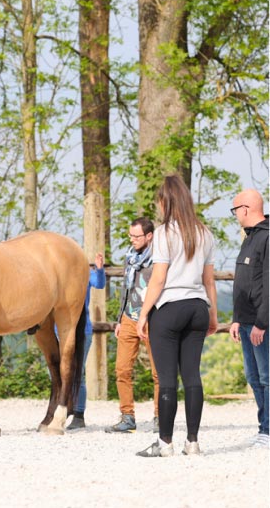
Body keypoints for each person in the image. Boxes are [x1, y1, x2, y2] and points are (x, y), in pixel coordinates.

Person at [135, 175, 218, 457]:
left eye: (159, 202)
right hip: (198, 309)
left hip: (170, 308)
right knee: (192, 376)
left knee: (168, 379)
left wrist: (143, 314)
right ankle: (192, 443)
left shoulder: (162, 233)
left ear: (165, 201)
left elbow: (158, 280)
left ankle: (165, 443)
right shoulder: (204, 232)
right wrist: (213, 315)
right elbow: (209, 281)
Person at [105, 217, 160, 434]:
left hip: (153, 319)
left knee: (159, 373)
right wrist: (119, 319)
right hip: (129, 318)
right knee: (122, 369)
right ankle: (127, 417)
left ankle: (160, 416)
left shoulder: (159, 259)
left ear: (149, 236)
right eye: (131, 235)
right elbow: (126, 291)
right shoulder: (130, 257)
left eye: (137, 236)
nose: (133, 239)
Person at [229, 189, 268, 448]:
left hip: (260, 325)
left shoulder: (266, 238)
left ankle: (268, 430)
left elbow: (268, 284)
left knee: (267, 377)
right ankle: (263, 427)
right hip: (244, 323)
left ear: (245, 208)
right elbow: (243, 282)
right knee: (253, 378)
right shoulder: (249, 238)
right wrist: (236, 318)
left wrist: (261, 323)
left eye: (235, 210)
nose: (235, 216)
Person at [66, 252, 106, 430]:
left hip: (83, 331)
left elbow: (99, 284)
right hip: (59, 332)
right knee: (57, 373)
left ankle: (79, 414)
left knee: (77, 373)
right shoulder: (58, 277)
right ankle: (63, 407)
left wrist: (99, 269)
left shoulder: (85, 274)